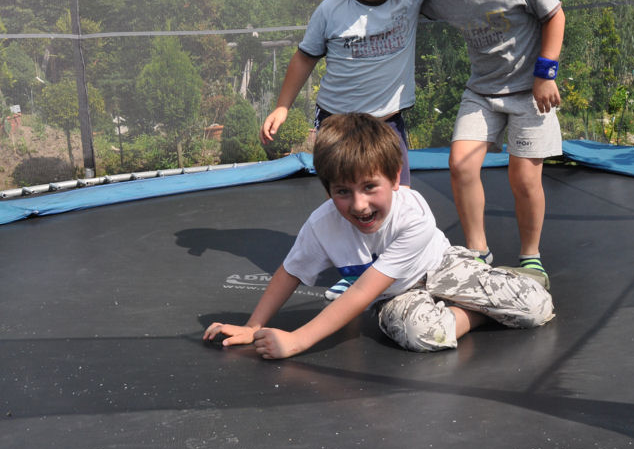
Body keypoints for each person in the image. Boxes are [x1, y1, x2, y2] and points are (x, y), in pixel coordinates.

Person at [203, 113, 554, 358]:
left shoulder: (413, 215)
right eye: (343, 192)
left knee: (536, 307)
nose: (359, 205)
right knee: (421, 334)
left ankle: (488, 287)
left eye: (370, 187)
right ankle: (478, 312)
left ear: (395, 178)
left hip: (440, 267)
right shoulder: (322, 224)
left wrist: (297, 340)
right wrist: (253, 325)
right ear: (327, 190)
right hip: (393, 293)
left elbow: (359, 293)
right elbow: (289, 272)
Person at [259, 0, 534, 190]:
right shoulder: (331, 9)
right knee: (347, 198)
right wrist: (283, 106)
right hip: (337, 124)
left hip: (387, 122)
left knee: (400, 197)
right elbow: (305, 57)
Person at [420, 0, 566, 277]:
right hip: (482, 93)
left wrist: (545, 74)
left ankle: (530, 257)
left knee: (524, 178)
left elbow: (554, 16)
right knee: (460, 165)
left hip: (530, 92)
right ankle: (477, 253)